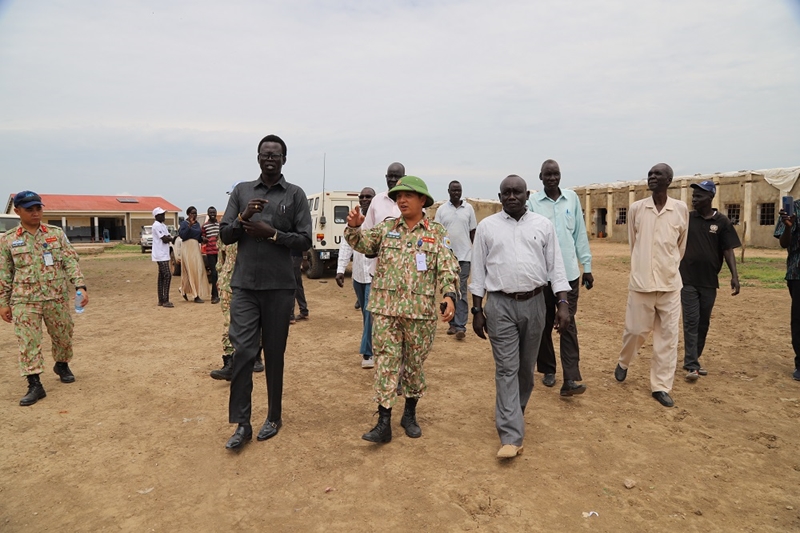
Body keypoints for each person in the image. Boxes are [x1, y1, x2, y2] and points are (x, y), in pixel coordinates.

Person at [345, 176, 458, 444]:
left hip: (420, 313)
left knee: (414, 365)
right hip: (385, 311)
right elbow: (363, 245)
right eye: (398, 197)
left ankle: (409, 414)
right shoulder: (386, 229)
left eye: (407, 196)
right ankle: (383, 421)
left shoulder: (436, 233)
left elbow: (448, 266)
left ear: (423, 200)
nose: (401, 200)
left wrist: (449, 295)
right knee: (385, 362)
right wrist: (353, 228)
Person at [219, 134, 312, 450]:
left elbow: (304, 240)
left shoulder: (295, 195)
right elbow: (225, 235)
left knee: (274, 355)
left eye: (276, 154)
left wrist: (271, 233)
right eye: (264, 154)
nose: (270, 158)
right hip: (245, 286)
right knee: (243, 352)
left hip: (280, 288)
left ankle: (274, 416)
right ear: (258, 157)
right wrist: (244, 217)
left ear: (284, 159)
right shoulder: (242, 192)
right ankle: (242, 425)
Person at [470, 175, 571, 459]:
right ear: (499, 196)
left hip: (535, 303)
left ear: (527, 195)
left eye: (517, 192)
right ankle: (511, 435)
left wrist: (562, 303)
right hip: (499, 305)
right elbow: (477, 272)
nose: (512, 197)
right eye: (506, 193)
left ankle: (514, 408)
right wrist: (477, 310)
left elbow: (556, 267)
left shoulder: (543, 226)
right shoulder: (487, 227)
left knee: (526, 369)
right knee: (506, 369)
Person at [0, 190, 89, 406]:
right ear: (18, 210)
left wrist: (80, 286)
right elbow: (4, 272)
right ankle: (34, 383)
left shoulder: (55, 234)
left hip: (55, 296)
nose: (35, 212)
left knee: (63, 335)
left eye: (38, 208)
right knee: (28, 341)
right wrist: (3, 302)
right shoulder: (9, 240)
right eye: (29, 209)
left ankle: (61, 363)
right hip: (24, 300)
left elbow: (69, 261)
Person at [614, 163, 689, 408]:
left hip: (669, 285)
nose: (652, 177)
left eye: (658, 174)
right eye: (650, 174)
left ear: (669, 180)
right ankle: (624, 361)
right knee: (635, 331)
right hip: (641, 283)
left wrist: (668, 266)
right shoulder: (637, 208)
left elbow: (681, 245)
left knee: (667, 338)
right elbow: (633, 243)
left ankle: (661, 386)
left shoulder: (680, 209)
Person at [527, 160, 593, 396]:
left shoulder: (572, 199)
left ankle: (571, 378)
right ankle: (548, 368)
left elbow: (579, 234)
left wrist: (587, 266)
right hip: (543, 277)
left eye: (555, 174)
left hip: (569, 274)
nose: (552, 178)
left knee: (568, 323)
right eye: (547, 174)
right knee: (543, 324)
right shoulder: (532, 202)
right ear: (541, 176)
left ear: (560, 176)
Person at [680, 180, 741, 381]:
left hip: (709, 281)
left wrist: (734, 275)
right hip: (686, 279)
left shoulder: (722, 222)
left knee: (703, 323)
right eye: (694, 196)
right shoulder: (687, 219)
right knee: (691, 321)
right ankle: (692, 365)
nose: (694, 199)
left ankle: (693, 359)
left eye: (699, 196)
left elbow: (727, 249)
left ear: (710, 197)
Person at [209, 185, 264, 381]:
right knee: (229, 324)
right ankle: (230, 362)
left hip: (250, 281)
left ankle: (256, 356)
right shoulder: (227, 226)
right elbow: (221, 257)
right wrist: (218, 277)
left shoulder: (256, 224)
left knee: (255, 323)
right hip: (227, 283)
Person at [336, 187, 377, 368]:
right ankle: (375, 344)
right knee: (366, 315)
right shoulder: (354, 218)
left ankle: (367, 354)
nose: (364, 199)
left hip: (374, 277)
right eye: (362, 197)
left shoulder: (379, 219)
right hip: (358, 277)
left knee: (369, 314)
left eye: (368, 197)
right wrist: (340, 270)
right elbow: (346, 246)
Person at [434, 180, 477, 340]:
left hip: (465, 256)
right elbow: (437, 233)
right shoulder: (441, 210)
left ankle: (460, 326)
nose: (456, 193)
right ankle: (452, 324)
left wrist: (476, 251)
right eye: (453, 190)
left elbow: (473, 232)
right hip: (446, 257)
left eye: (459, 190)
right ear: (448, 191)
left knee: (462, 291)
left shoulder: (469, 209)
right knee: (449, 291)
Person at [774, 198, 800, 381]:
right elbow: (784, 243)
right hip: (797, 273)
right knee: (798, 319)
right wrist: (789, 227)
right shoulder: (794, 208)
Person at [178, 206, 211, 303]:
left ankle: (183, 289)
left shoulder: (197, 224)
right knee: (190, 270)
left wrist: (202, 239)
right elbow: (183, 235)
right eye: (192, 213)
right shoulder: (184, 223)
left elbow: (197, 236)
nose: (194, 215)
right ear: (188, 214)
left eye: (195, 213)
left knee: (199, 270)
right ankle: (195, 295)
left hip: (196, 248)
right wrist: (189, 226)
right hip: (187, 248)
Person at [363, 162, 403, 229]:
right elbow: (367, 228)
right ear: (386, 177)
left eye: (396, 177)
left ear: (404, 178)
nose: (393, 180)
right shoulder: (377, 200)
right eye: (390, 176)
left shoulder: (411, 201)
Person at [151, 207, 174, 308]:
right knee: (167, 275)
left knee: (161, 277)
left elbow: (168, 236)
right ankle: (165, 300)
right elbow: (165, 239)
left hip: (164, 253)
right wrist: (172, 239)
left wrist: (170, 238)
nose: (163, 216)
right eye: (161, 214)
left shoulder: (163, 225)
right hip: (160, 255)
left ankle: (161, 300)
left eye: (164, 214)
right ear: (156, 216)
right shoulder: (156, 226)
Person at [202, 206, 221, 304]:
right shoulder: (205, 226)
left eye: (214, 212)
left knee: (220, 274)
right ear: (208, 214)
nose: (212, 214)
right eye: (211, 213)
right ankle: (214, 296)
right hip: (210, 253)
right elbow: (202, 238)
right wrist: (203, 239)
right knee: (214, 274)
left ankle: (219, 294)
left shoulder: (219, 225)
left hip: (219, 252)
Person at [289, 248, 309, 323]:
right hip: (295, 256)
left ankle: (291, 316)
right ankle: (304, 311)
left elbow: (304, 245)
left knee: (292, 285)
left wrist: (305, 259)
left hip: (294, 256)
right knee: (298, 284)